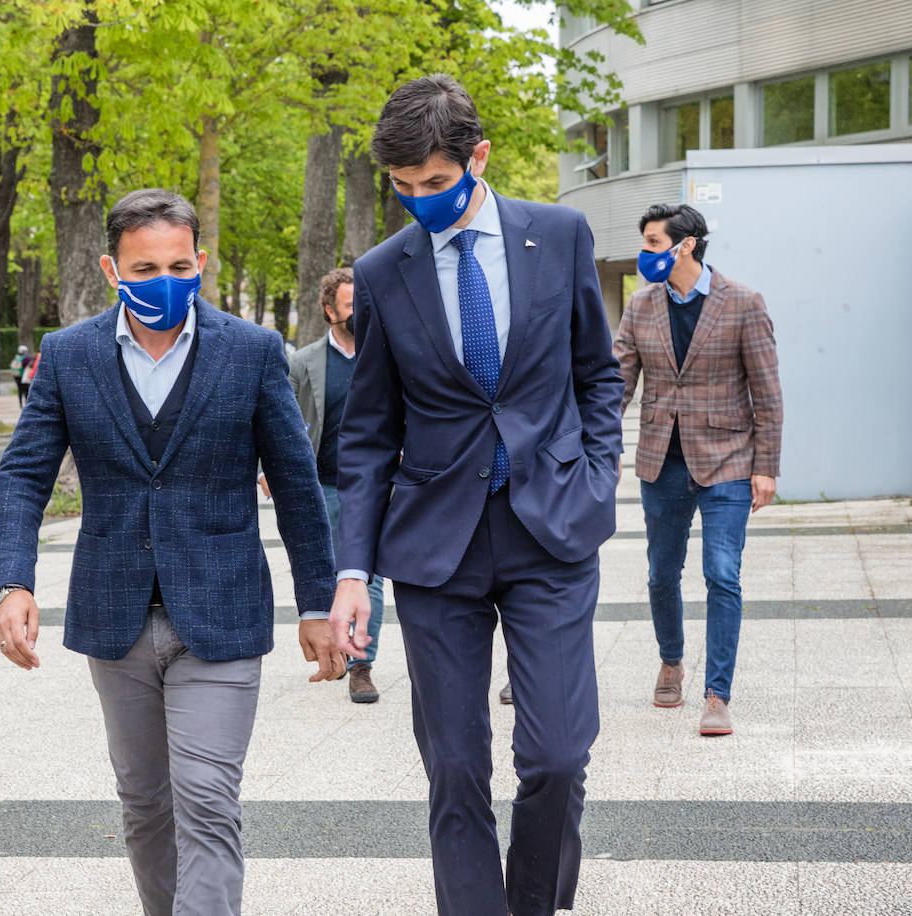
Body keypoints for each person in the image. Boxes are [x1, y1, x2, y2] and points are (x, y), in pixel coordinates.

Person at [0, 189, 339, 916]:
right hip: (114, 618)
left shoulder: (250, 351)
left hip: (222, 612)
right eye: (144, 268)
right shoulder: (69, 354)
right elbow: (24, 474)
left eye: (179, 265)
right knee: (146, 805)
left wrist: (316, 602)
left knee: (206, 800)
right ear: (112, 270)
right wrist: (10, 583)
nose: (163, 281)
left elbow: (300, 488)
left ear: (200, 262)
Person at [330, 75, 624, 916]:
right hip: (434, 546)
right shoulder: (384, 273)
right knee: (455, 766)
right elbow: (369, 430)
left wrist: (596, 477)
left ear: (477, 157)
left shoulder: (559, 235)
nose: (419, 201)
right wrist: (355, 572)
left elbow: (596, 375)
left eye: (435, 183)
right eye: (403, 188)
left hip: (551, 531)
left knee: (561, 754)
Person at [612, 203, 783, 736]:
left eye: (653, 243)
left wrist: (766, 466)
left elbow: (767, 391)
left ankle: (717, 694)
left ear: (686, 245)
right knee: (663, 573)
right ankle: (671, 659)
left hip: (729, 457)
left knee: (722, 574)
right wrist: (594, 447)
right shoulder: (640, 307)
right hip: (662, 459)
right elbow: (617, 383)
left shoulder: (744, 304)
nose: (645, 253)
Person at [261, 267, 388, 703]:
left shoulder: (385, 354)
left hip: (375, 486)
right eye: (352, 307)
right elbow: (283, 420)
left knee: (368, 576)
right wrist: (270, 469)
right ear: (330, 310)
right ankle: (336, 645)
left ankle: (361, 665)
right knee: (335, 575)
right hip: (323, 485)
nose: (360, 315)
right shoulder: (302, 362)